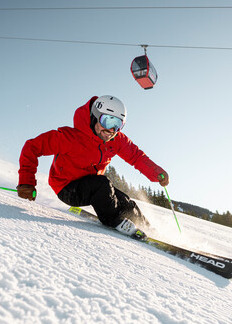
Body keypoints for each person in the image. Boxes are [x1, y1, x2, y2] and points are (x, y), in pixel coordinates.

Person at [17, 95, 169, 238]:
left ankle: (149, 230)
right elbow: (32, 147)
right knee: (102, 184)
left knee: (126, 202)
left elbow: (136, 156)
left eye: (117, 125)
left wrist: (157, 173)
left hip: (93, 186)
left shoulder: (116, 140)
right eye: (108, 121)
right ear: (94, 116)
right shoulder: (70, 137)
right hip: (67, 188)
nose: (111, 130)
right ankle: (114, 221)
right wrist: (26, 181)